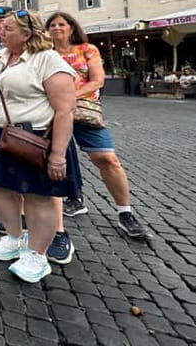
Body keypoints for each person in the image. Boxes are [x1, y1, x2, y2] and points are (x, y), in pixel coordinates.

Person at [0, 11, 80, 283]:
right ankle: (14, 237)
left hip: (32, 137)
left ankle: (37, 254)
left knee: (37, 196)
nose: (0, 31)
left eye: (8, 28)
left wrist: (57, 155)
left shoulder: (47, 60)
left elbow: (65, 110)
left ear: (27, 34)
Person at [46, 12, 146, 239]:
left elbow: (97, 80)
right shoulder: (46, 54)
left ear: (71, 27)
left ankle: (125, 212)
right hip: (52, 113)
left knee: (107, 159)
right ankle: (69, 202)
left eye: (61, 23)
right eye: (52, 24)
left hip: (84, 111)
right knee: (57, 158)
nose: (56, 28)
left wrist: (71, 96)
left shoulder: (87, 49)